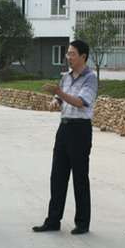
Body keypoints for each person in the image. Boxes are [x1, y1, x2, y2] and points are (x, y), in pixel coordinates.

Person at [33, 39, 99, 235]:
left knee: (80, 177)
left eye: (72, 54)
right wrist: (55, 101)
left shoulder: (90, 78)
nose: (68, 57)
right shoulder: (66, 78)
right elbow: (60, 99)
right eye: (67, 54)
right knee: (58, 176)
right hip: (64, 128)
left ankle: (82, 222)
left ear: (83, 56)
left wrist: (59, 93)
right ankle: (53, 220)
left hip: (80, 130)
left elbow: (80, 102)